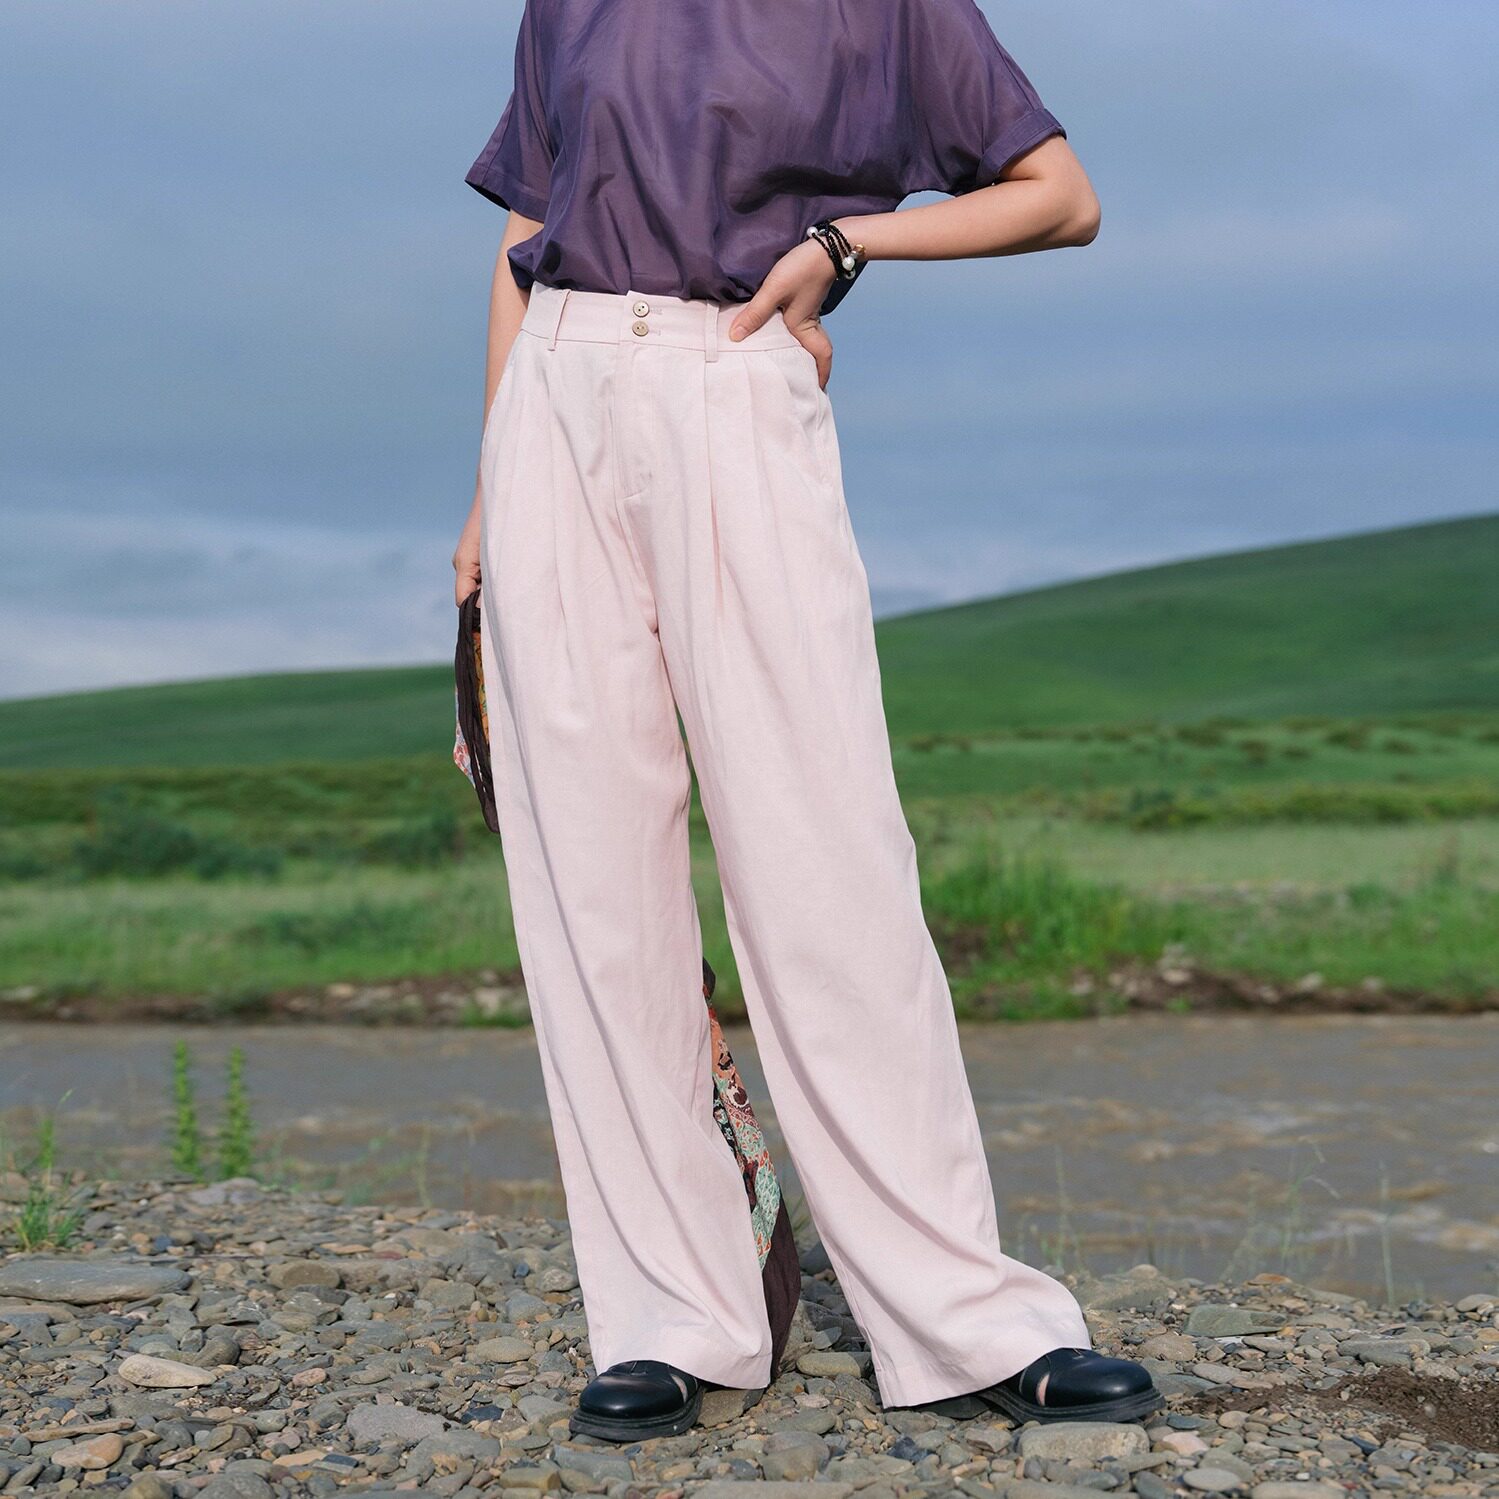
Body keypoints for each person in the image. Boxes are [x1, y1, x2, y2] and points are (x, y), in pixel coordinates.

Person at [453, 0, 1162, 1445]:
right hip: (553, 401)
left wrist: (846, 246)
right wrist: (483, 505)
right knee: (593, 888)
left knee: (824, 859)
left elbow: (1060, 196)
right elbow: (527, 228)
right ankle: (675, 1317)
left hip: (732, 372)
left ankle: (966, 1314)